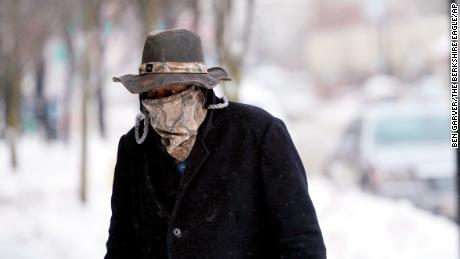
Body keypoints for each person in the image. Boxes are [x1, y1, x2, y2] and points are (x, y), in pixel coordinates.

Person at [104, 28, 326, 259]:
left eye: (172, 90)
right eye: (153, 93)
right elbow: (121, 244)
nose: (162, 102)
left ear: (198, 88)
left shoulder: (257, 134)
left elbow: (301, 241)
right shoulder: (134, 147)